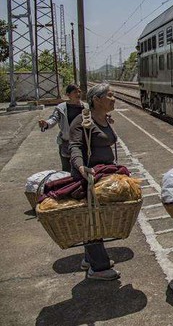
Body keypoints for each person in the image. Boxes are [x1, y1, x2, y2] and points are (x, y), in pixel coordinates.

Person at [68, 83, 120, 280]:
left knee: (96, 218)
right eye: (110, 95)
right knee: (93, 218)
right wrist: (81, 168)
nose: (114, 99)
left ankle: (89, 259)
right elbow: (74, 146)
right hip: (89, 177)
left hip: (103, 176)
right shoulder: (82, 121)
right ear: (97, 100)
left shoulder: (104, 118)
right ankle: (98, 268)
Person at [38, 84, 86, 172]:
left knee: (82, 168)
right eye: (75, 92)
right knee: (67, 170)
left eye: (79, 91)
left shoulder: (86, 107)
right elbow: (53, 119)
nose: (78, 94)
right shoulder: (61, 108)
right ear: (68, 95)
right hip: (66, 144)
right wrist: (46, 124)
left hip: (83, 144)